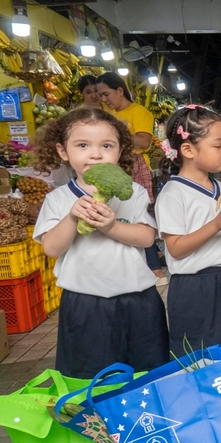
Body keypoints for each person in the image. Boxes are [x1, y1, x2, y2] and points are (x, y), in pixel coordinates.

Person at [31, 107, 168, 378]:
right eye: (82, 145)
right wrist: (72, 218)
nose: (95, 153)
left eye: (107, 145)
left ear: (119, 152)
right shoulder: (58, 199)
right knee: (90, 380)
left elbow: (146, 237)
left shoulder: (133, 193)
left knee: (148, 375)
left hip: (138, 300)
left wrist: (112, 226)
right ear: (63, 151)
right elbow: (52, 248)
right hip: (85, 305)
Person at [155, 105, 221, 354]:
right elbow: (176, 249)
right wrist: (215, 225)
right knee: (201, 361)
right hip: (194, 288)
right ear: (188, 149)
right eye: (218, 146)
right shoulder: (173, 194)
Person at [97, 71, 166, 284]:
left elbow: (144, 142)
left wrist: (116, 134)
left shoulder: (139, 111)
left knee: (140, 216)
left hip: (134, 168)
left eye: (106, 93)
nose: (103, 99)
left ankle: (155, 269)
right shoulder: (107, 115)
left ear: (120, 90)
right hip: (111, 169)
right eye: (100, 95)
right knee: (118, 216)